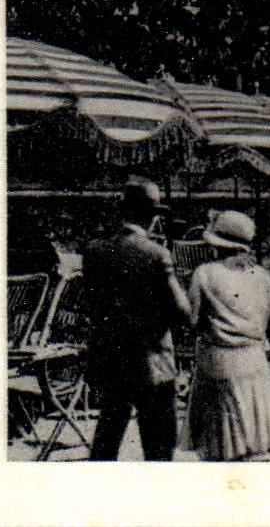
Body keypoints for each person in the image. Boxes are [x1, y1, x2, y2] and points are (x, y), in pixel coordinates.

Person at [82, 178, 193, 461]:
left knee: (107, 437)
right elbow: (182, 311)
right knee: (158, 447)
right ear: (153, 217)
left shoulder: (93, 251)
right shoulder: (157, 254)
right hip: (151, 359)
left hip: (108, 358)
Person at [183, 210, 270, 461]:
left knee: (219, 447)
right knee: (252, 445)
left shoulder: (204, 273)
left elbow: (192, 321)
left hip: (216, 365)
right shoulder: (263, 278)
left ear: (215, 245)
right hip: (255, 366)